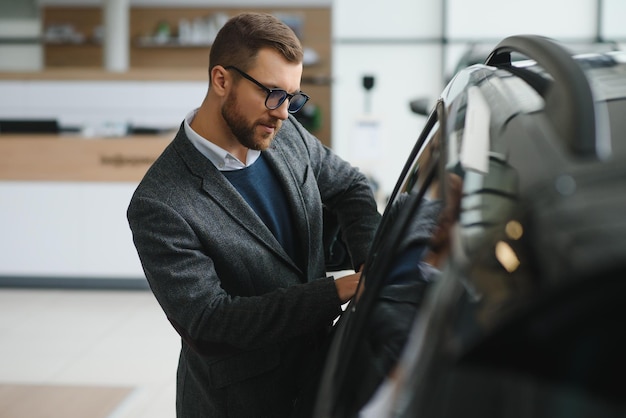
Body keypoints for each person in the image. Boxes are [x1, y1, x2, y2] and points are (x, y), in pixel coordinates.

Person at [126, 12, 381, 418]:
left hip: (320, 378)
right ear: (221, 80)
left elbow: (349, 186)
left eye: (293, 97)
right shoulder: (160, 203)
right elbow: (210, 324)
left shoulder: (283, 133)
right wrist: (337, 291)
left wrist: (371, 262)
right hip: (241, 402)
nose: (283, 112)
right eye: (273, 93)